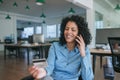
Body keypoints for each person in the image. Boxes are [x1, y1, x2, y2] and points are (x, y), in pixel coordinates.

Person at [29, 15, 94, 80]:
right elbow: (50, 66)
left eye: (73, 30)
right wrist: (43, 71)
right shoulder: (55, 46)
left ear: (80, 33)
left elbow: (87, 78)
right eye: (66, 29)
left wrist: (83, 54)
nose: (69, 32)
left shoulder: (85, 51)